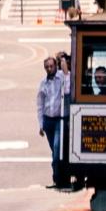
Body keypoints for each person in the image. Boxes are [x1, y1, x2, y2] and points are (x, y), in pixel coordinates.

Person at [37, 54, 71, 187]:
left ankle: (58, 179)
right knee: (54, 150)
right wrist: (41, 124)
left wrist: (66, 71)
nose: (49, 69)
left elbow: (67, 90)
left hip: (59, 120)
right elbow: (40, 104)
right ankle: (59, 179)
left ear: (56, 66)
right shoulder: (43, 83)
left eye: (51, 66)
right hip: (48, 121)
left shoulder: (62, 77)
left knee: (57, 150)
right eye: (47, 67)